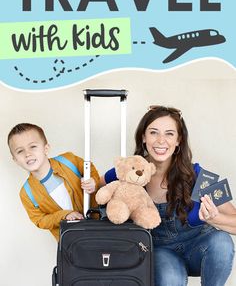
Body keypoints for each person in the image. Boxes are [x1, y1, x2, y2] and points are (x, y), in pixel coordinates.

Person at [101, 105, 236, 286]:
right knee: (171, 278)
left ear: (179, 140)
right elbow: (94, 188)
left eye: (169, 134)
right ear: (143, 137)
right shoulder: (130, 171)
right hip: (160, 252)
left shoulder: (198, 176)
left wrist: (214, 218)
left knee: (222, 241)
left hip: (198, 248)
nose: (161, 141)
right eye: (154, 132)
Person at [8, 123, 100, 241]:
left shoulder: (68, 161)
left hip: (98, 225)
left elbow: (89, 170)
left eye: (33, 146)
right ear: (15, 160)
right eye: (20, 151)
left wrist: (94, 182)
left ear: (46, 149)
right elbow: (40, 220)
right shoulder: (26, 193)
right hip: (71, 242)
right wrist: (64, 216)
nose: (27, 154)